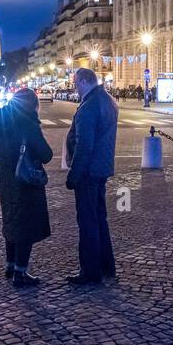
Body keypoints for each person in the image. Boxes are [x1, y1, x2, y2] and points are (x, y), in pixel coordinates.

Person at [0, 88, 54, 288]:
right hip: (25, 178)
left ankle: (10, 264)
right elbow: (46, 154)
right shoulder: (28, 123)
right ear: (31, 105)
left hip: (5, 179)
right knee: (26, 224)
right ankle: (20, 272)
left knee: (11, 219)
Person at [65, 67, 118, 286]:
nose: (75, 88)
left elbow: (84, 146)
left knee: (87, 222)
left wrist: (73, 175)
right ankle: (107, 265)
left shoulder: (88, 107)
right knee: (100, 219)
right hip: (101, 168)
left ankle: (90, 271)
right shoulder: (108, 100)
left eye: (76, 84)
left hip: (87, 171)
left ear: (85, 81)